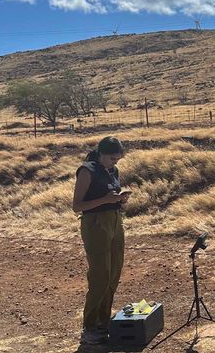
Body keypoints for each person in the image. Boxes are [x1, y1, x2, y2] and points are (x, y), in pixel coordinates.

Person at [72, 136, 130, 345]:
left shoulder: (112, 170)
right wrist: (106, 200)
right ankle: (90, 326)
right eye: (113, 158)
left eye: (118, 159)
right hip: (95, 224)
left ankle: (103, 321)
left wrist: (120, 201)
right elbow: (77, 206)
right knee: (100, 275)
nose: (116, 163)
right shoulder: (87, 170)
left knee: (114, 271)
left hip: (115, 221)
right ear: (102, 154)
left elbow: (111, 195)